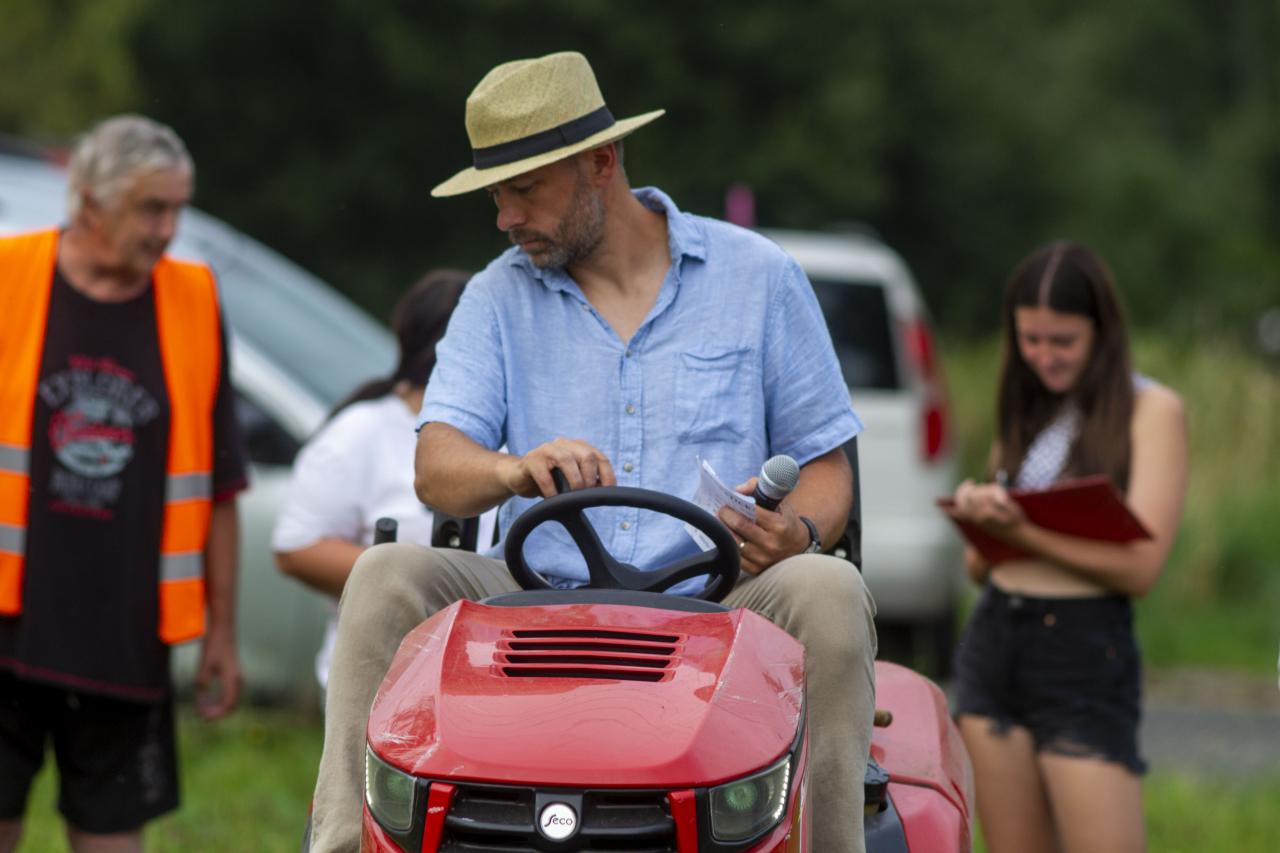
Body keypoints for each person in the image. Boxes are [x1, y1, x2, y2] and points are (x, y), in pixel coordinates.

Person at [308, 51, 878, 852]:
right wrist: (511, 468)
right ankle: (344, 842)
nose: (505, 216)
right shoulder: (495, 296)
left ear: (601, 163)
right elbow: (435, 465)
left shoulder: (759, 278)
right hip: (534, 596)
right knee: (383, 573)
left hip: (724, 599)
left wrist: (799, 531)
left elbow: (825, 466)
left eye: (524, 188)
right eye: (496, 194)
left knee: (829, 586)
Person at [0, 115, 247, 851]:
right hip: (7, 621)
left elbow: (221, 484)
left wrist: (222, 630)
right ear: (89, 202)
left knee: (112, 835)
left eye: (177, 209)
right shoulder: (9, 275)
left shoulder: (193, 299)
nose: (168, 230)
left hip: (126, 635)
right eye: (151, 209)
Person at [949, 241, 1188, 853]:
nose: (1044, 356)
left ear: (1102, 332)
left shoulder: (1151, 409)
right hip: (995, 641)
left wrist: (1021, 532)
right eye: (1030, 339)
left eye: (1063, 341)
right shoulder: (1025, 407)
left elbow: (1141, 570)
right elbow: (979, 568)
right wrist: (980, 517)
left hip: (1082, 653)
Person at [272, 269, 495, 692]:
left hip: (487, 681)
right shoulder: (361, 430)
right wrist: (420, 582)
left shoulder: (517, 431)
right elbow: (296, 549)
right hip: (381, 681)